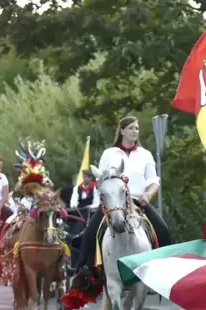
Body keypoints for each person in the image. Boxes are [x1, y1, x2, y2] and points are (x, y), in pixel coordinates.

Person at [74, 116, 172, 279]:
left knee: (163, 230)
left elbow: (154, 181)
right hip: (113, 204)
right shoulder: (109, 154)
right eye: (131, 128)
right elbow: (101, 180)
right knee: (90, 232)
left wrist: (148, 195)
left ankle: (165, 270)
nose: (135, 131)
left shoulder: (145, 154)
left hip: (138, 202)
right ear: (122, 131)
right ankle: (84, 271)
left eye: (137, 128)